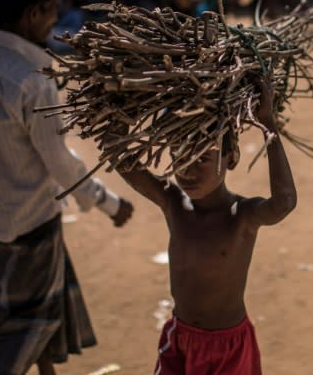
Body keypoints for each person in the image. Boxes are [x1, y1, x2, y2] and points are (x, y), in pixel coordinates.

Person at [0, 0, 135, 375]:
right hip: (34, 219)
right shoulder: (33, 79)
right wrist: (109, 203)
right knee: (31, 324)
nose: (55, 18)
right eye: (52, 9)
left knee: (19, 312)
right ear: (34, 13)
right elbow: (60, 164)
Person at [115, 77, 296, 374]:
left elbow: (284, 202)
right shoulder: (173, 203)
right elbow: (121, 158)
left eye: (202, 158)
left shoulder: (242, 216)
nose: (188, 169)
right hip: (180, 339)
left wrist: (267, 122)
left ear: (231, 158)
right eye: (180, 155)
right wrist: (124, 100)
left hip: (228, 347)